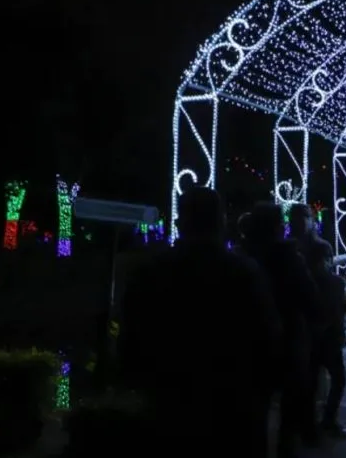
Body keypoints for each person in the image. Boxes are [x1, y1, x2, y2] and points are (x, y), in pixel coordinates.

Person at [119, 188, 281, 458]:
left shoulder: (151, 271)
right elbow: (268, 337)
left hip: (169, 402)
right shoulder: (243, 272)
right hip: (233, 404)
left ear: (181, 221)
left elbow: (131, 339)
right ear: (221, 221)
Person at [244, 202, 325, 455]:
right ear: (279, 228)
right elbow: (311, 300)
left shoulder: (241, 259)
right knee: (289, 419)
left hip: (250, 349)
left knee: (256, 415)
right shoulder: (290, 259)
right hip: (289, 344)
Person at [288, 203, 346, 439]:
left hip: (309, 323)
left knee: (315, 378)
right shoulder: (316, 247)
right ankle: (323, 422)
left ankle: (312, 425)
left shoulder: (291, 250)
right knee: (327, 377)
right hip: (318, 323)